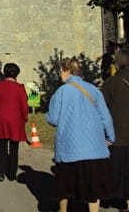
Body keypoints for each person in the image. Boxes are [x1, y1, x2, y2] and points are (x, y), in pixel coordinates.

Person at [46, 58, 116, 212]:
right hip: (94, 145)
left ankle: (63, 210)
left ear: (66, 71)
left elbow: (53, 119)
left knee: (64, 185)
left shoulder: (61, 92)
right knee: (93, 185)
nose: (59, 74)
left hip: (69, 146)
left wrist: (47, 115)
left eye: (60, 71)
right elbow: (105, 116)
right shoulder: (93, 89)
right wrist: (110, 137)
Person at [0, 63, 28, 182]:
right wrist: (24, 117)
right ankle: (12, 173)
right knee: (14, 148)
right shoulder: (19, 88)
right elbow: (24, 106)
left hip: (1, 119)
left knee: (1, 147)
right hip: (15, 120)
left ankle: (1, 171)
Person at [101, 49, 129, 211]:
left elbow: (102, 108)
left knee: (118, 168)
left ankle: (120, 200)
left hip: (117, 133)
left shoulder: (111, 83)